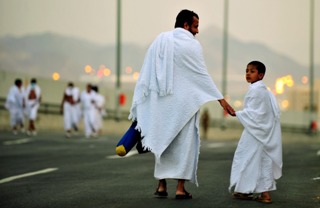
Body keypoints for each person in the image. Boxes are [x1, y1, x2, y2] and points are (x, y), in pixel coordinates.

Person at [128, 9, 235, 199]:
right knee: (185, 145)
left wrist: (148, 102)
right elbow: (201, 75)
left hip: (162, 104)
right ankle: (179, 188)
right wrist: (221, 99)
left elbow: (147, 73)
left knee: (162, 142)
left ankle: (161, 186)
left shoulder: (160, 41)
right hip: (185, 105)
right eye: (195, 26)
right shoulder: (192, 45)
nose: (197, 31)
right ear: (186, 25)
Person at [229, 61, 283, 204]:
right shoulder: (263, 90)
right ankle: (245, 191)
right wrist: (241, 114)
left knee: (249, 158)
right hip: (260, 132)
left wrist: (238, 114)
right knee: (254, 159)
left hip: (256, 132)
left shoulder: (257, 90)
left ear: (261, 75)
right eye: (246, 70)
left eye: (252, 71)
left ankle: (264, 194)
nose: (248, 73)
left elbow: (257, 114)